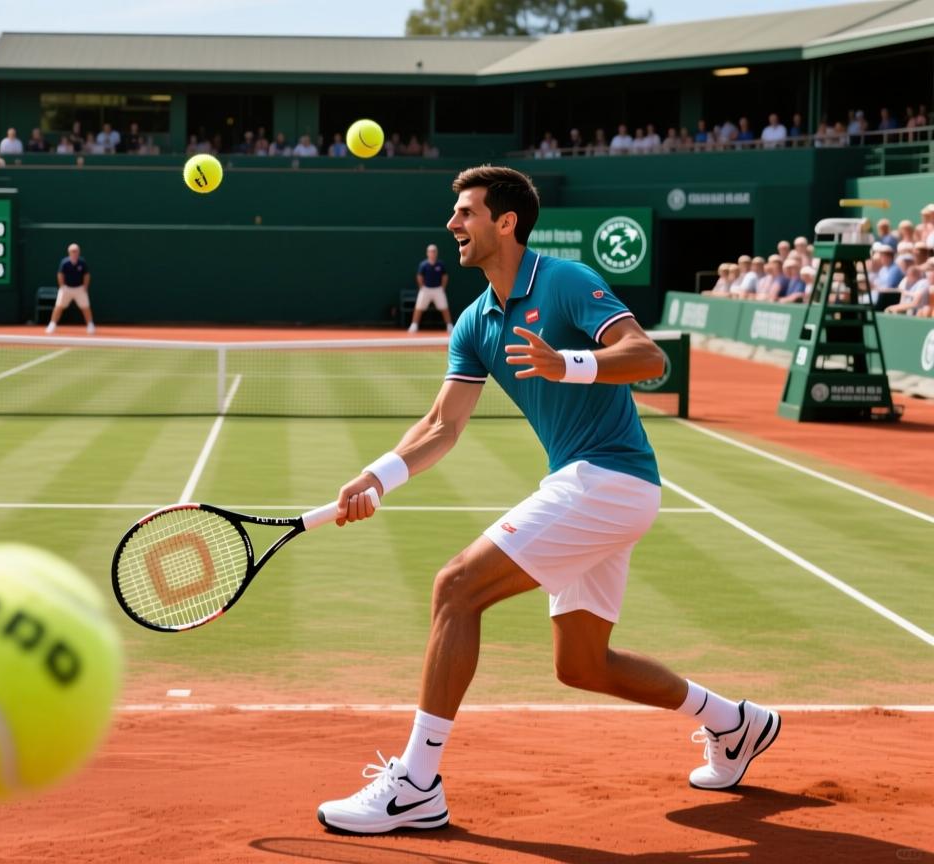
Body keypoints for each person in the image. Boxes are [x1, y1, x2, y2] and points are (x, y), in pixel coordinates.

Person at [316, 165, 781, 834]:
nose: (452, 223)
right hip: (596, 486)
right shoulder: (474, 322)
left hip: (608, 479)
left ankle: (417, 784)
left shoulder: (563, 281)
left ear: (506, 222)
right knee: (583, 665)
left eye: (467, 212)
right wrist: (377, 477)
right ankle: (735, 723)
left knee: (456, 588)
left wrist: (571, 363)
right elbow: (442, 425)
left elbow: (649, 357)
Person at [46, 243, 95, 334]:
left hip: (79, 288)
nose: (74, 253)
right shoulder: (64, 262)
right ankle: (52, 324)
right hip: (66, 288)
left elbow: (87, 275)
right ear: (69, 252)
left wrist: (85, 286)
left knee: (86, 307)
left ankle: (90, 325)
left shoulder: (82, 262)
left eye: (76, 251)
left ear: (79, 252)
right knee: (59, 307)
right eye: (72, 251)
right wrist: (62, 286)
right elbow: (60, 274)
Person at [409, 244, 453, 334]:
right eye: (430, 251)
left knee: (444, 308)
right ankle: (414, 325)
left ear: (436, 253)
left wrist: (443, 287)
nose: (432, 253)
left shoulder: (440, 264)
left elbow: (445, 276)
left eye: (434, 251)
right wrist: (422, 287)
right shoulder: (423, 264)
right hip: (426, 289)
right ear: (427, 253)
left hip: (438, 289)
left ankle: (449, 326)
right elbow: (419, 276)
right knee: (418, 307)